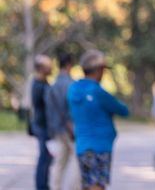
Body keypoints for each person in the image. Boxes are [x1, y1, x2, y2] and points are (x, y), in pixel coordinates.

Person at [68, 50, 129, 190]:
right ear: (99, 70)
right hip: (100, 147)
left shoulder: (73, 90)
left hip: (82, 146)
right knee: (97, 186)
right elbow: (123, 110)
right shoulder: (97, 92)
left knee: (88, 184)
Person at [46, 52, 81, 190]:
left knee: (60, 162)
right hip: (70, 128)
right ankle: (73, 188)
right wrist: (71, 125)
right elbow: (73, 108)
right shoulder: (72, 84)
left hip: (57, 130)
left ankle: (56, 187)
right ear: (69, 65)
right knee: (77, 160)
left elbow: (49, 110)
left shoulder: (52, 86)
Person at [31, 54, 53, 190]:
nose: (51, 68)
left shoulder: (44, 83)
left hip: (45, 126)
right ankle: (41, 186)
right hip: (42, 126)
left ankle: (44, 184)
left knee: (47, 158)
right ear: (41, 68)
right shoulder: (38, 85)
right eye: (48, 66)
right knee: (44, 158)